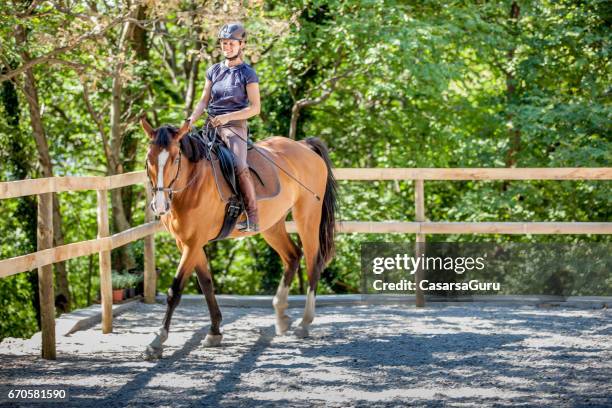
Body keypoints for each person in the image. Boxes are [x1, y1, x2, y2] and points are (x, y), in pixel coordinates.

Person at [187, 22, 261, 232]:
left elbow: (255, 108)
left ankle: (253, 216)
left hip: (234, 128)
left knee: (239, 166)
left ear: (242, 45)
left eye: (230, 43)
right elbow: (203, 101)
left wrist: (228, 118)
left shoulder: (248, 74)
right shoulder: (214, 70)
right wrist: (190, 121)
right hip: (210, 126)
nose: (226, 47)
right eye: (223, 43)